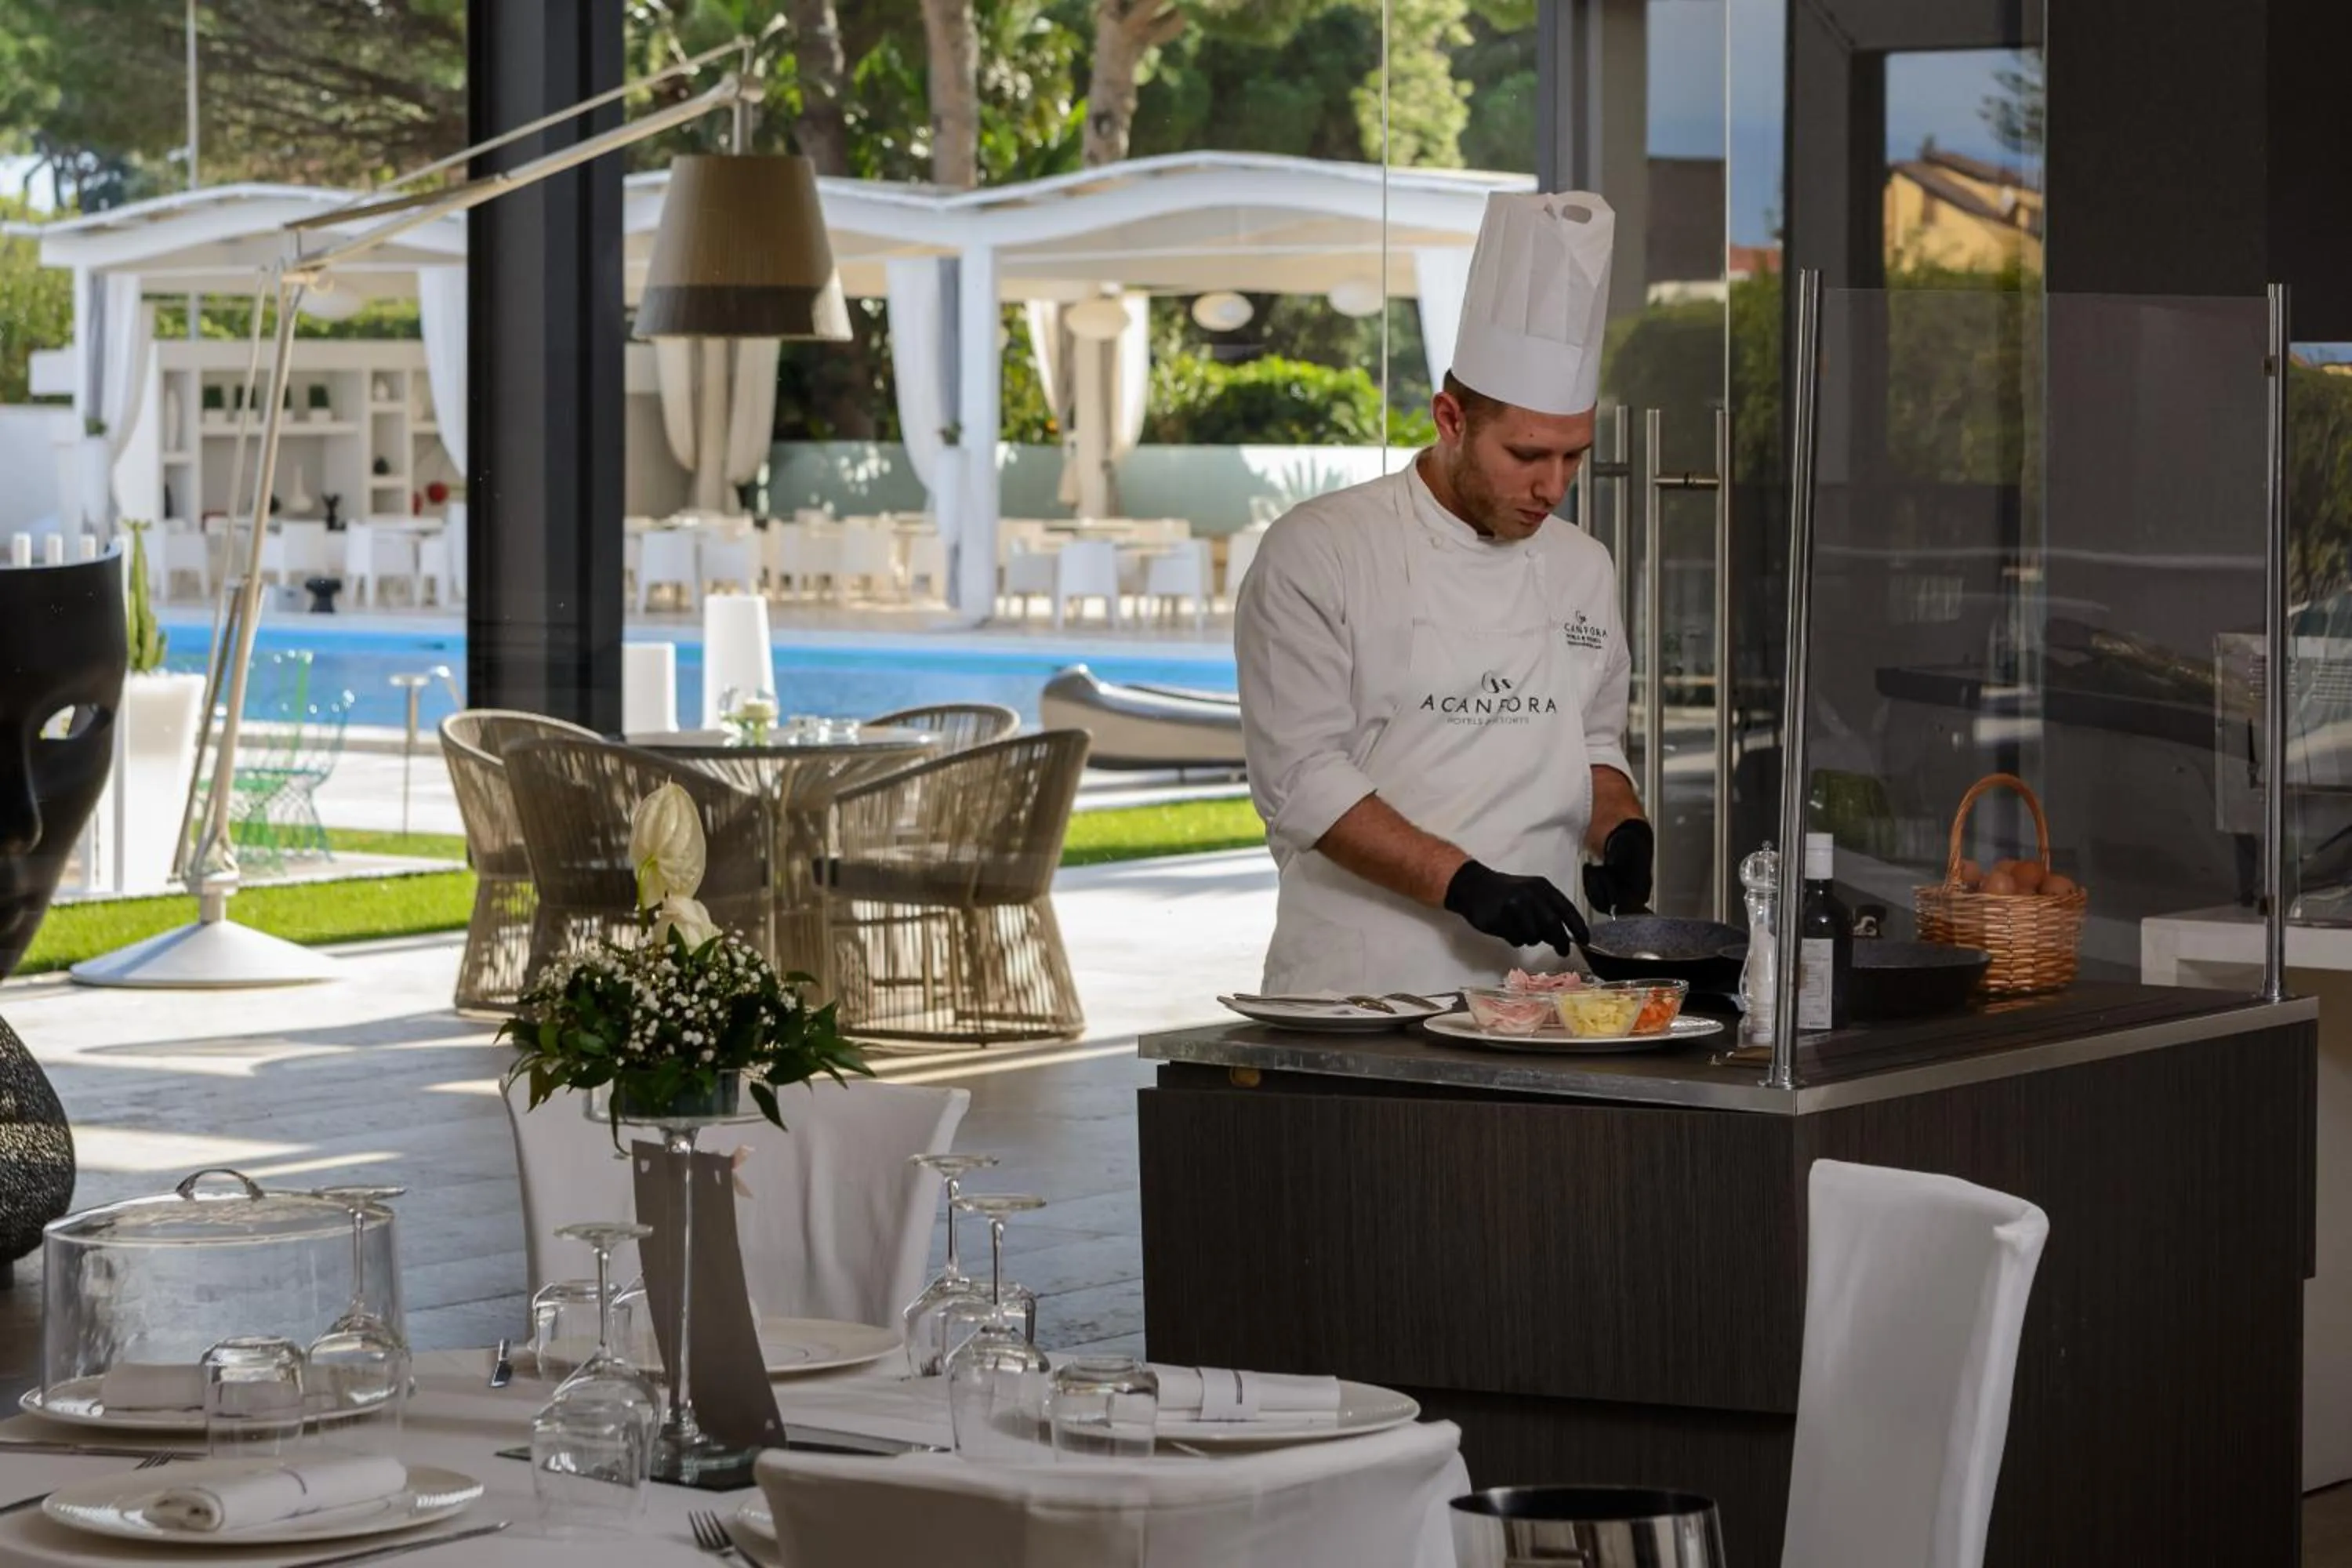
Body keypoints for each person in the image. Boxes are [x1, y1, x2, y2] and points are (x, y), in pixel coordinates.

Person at [1235, 191, 1652, 995]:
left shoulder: (1582, 566)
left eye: (1574, 456)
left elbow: (1591, 741)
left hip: (1547, 989)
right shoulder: (1321, 550)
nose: (1552, 485)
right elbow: (1303, 779)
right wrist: (1469, 884)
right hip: (1368, 987)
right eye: (1527, 453)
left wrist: (1622, 826)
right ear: (1450, 417)